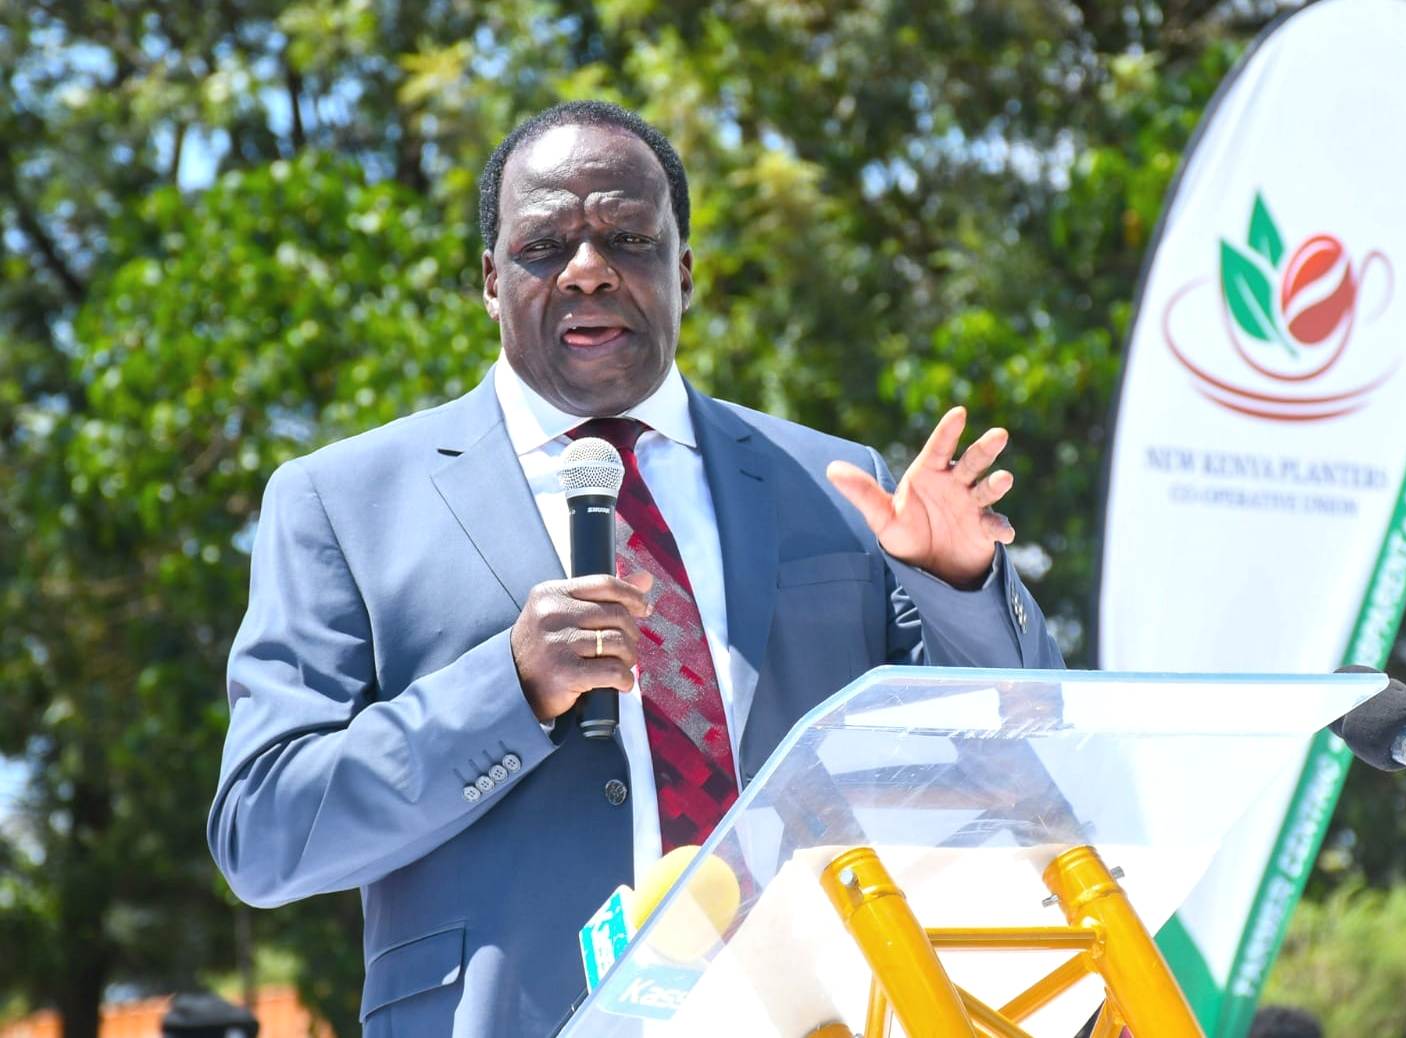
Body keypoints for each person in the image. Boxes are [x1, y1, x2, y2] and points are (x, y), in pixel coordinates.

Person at [208, 100, 1063, 1037]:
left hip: (811, 1011)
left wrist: (960, 589)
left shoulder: (834, 483)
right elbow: (266, 834)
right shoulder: (343, 502)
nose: (588, 269)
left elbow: (1018, 766)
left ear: (682, 271)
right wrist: (510, 687)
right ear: (491, 281)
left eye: (627, 236)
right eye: (544, 247)